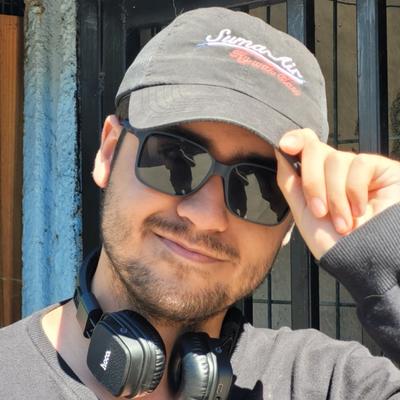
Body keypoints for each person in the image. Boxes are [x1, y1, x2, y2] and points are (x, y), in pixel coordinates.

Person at [1, 6, 400, 400]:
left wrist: (392, 253)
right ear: (108, 152)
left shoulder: (331, 385)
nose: (206, 216)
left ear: (293, 220)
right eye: (173, 158)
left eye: (258, 187)